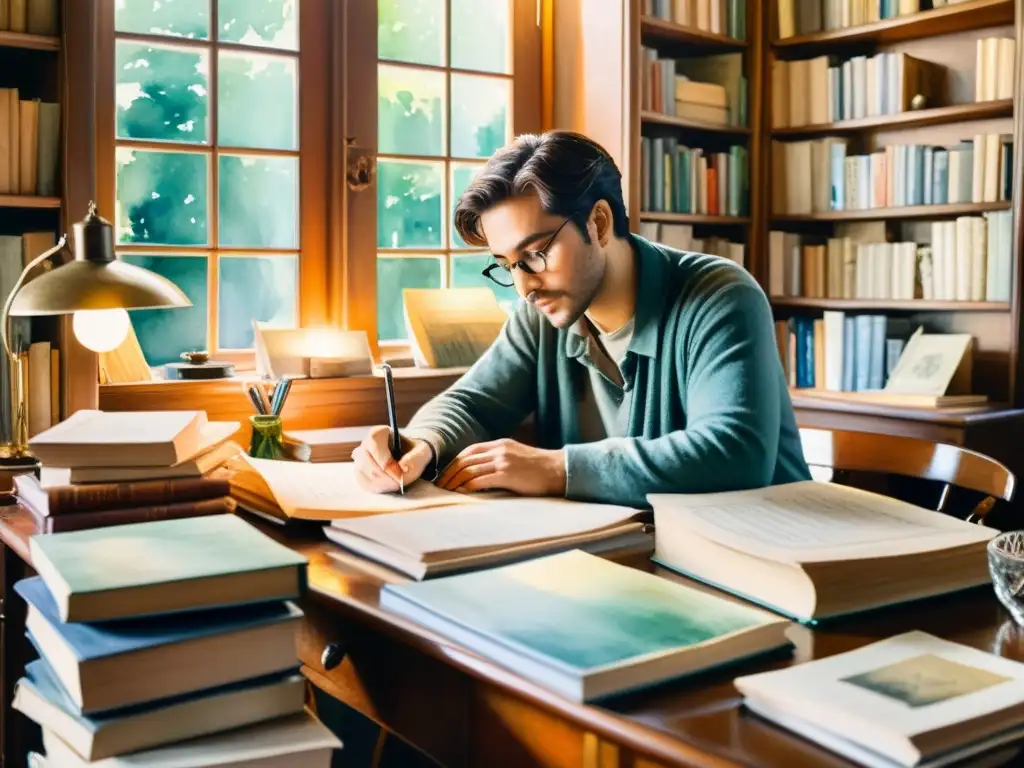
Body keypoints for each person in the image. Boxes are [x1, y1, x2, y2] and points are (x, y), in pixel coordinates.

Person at [353, 130, 810, 508]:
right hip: (638, 557)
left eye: (535, 254)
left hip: (770, 564)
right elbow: (473, 402)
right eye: (508, 265)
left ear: (600, 222)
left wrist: (555, 468)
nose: (524, 287)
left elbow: (734, 454)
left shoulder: (720, 296)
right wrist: (419, 442)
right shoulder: (542, 314)